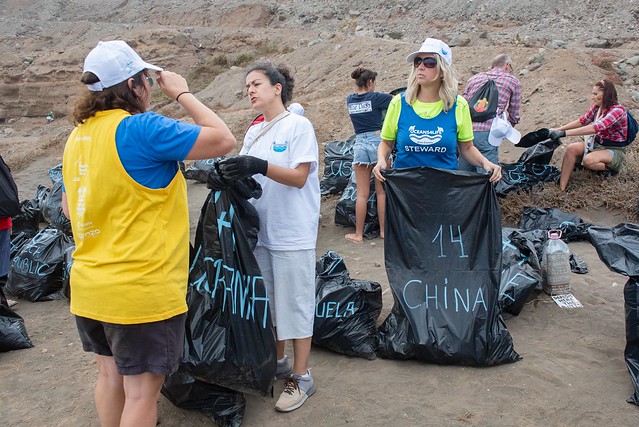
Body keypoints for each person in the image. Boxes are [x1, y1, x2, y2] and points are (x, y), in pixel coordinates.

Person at [60, 40, 235, 427]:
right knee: (141, 393)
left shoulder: (78, 137)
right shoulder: (142, 129)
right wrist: (183, 92)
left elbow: (70, 208)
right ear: (135, 84)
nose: (152, 88)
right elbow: (223, 139)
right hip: (140, 290)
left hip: (90, 285)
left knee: (109, 378)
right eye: (147, 80)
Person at [218, 60, 320, 413]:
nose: (250, 90)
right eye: (246, 85)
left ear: (278, 88)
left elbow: (298, 177)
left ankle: (302, 376)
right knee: (271, 302)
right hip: (262, 232)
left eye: (256, 83)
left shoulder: (298, 126)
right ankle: (277, 362)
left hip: (293, 232)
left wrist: (258, 166)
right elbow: (253, 184)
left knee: (296, 303)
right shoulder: (254, 131)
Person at [372, 38, 501, 183]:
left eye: (429, 62)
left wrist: (485, 163)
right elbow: (386, 143)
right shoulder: (399, 103)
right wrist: (381, 160)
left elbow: (467, 148)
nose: (420, 67)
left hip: (444, 189)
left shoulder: (458, 105)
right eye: (417, 62)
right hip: (405, 190)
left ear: (442, 70)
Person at [550, 79, 629, 191]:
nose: (592, 97)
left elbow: (594, 128)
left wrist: (563, 134)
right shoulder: (597, 107)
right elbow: (582, 121)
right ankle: (562, 188)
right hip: (597, 143)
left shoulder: (618, 110)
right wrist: (558, 129)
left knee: (589, 161)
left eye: (595, 94)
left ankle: (611, 169)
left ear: (606, 94)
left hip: (613, 149)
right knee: (571, 149)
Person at [344, 67, 392, 244]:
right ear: (370, 82)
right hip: (377, 141)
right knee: (381, 192)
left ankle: (358, 234)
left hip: (360, 144)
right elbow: (396, 103)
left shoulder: (350, 100)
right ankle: (383, 231)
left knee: (362, 193)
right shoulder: (376, 97)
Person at [460, 54, 521, 171]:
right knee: (487, 174)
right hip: (489, 132)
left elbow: (463, 103)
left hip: (466, 130)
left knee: (463, 172)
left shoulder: (474, 78)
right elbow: (514, 111)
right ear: (507, 66)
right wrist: (508, 127)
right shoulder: (512, 81)